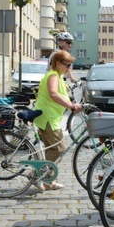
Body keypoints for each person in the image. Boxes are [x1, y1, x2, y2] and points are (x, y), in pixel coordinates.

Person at [33, 50, 83, 191]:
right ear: (58, 64)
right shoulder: (53, 76)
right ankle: (36, 174)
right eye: (67, 65)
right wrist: (71, 106)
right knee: (59, 148)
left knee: (51, 149)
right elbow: (53, 94)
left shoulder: (58, 76)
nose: (69, 68)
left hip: (51, 117)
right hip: (48, 117)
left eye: (70, 65)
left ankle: (48, 181)